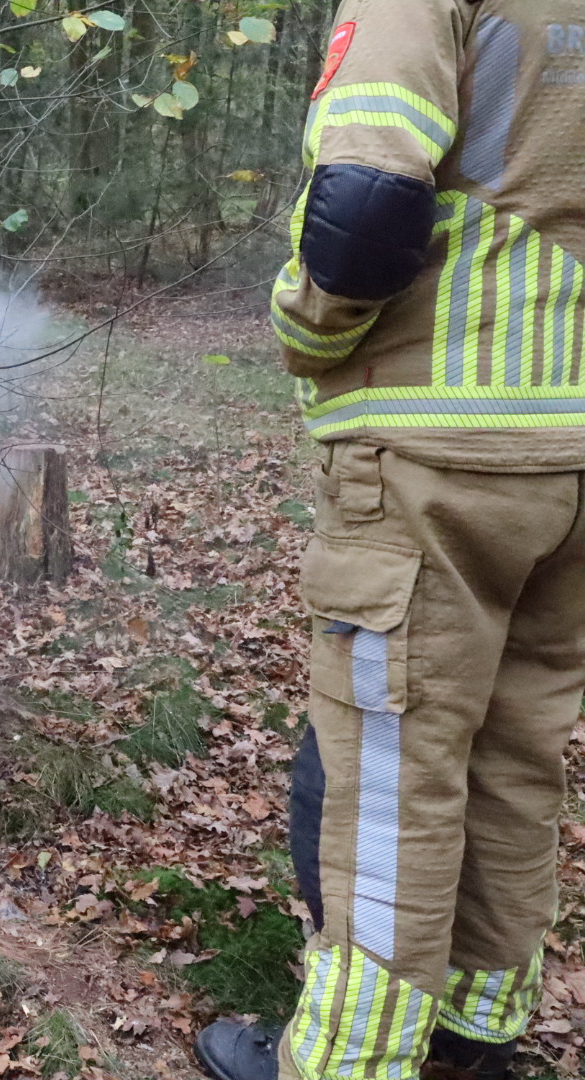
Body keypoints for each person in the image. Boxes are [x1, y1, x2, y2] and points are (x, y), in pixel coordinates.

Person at [195, 4, 585, 1080]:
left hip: (438, 441)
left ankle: (349, 1062)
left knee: (393, 768)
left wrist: (303, 330)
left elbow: (365, 203)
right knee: (517, 753)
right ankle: (477, 1028)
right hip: (576, 451)